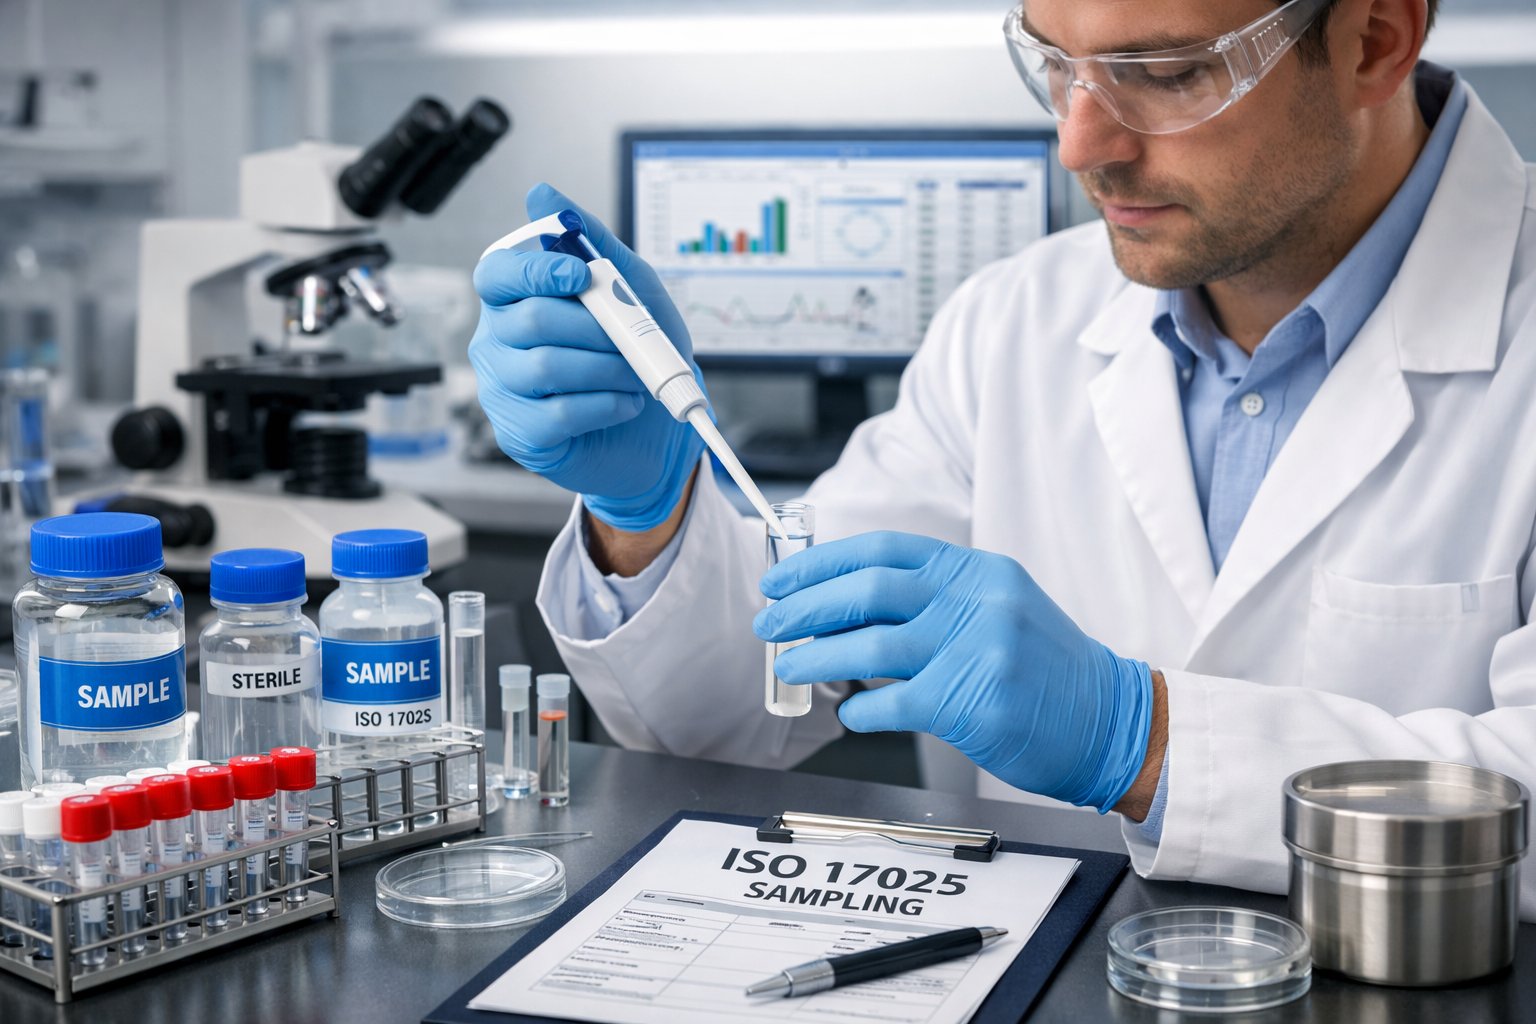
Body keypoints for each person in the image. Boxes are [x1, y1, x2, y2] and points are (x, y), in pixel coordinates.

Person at [468, 0, 1536, 915]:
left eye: (1165, 75)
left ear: (1376, 40)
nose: (1081, 145)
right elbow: (728, 716)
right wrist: (646, 510)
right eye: (1055, 65)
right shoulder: (1013, 321)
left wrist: (1147, 740)